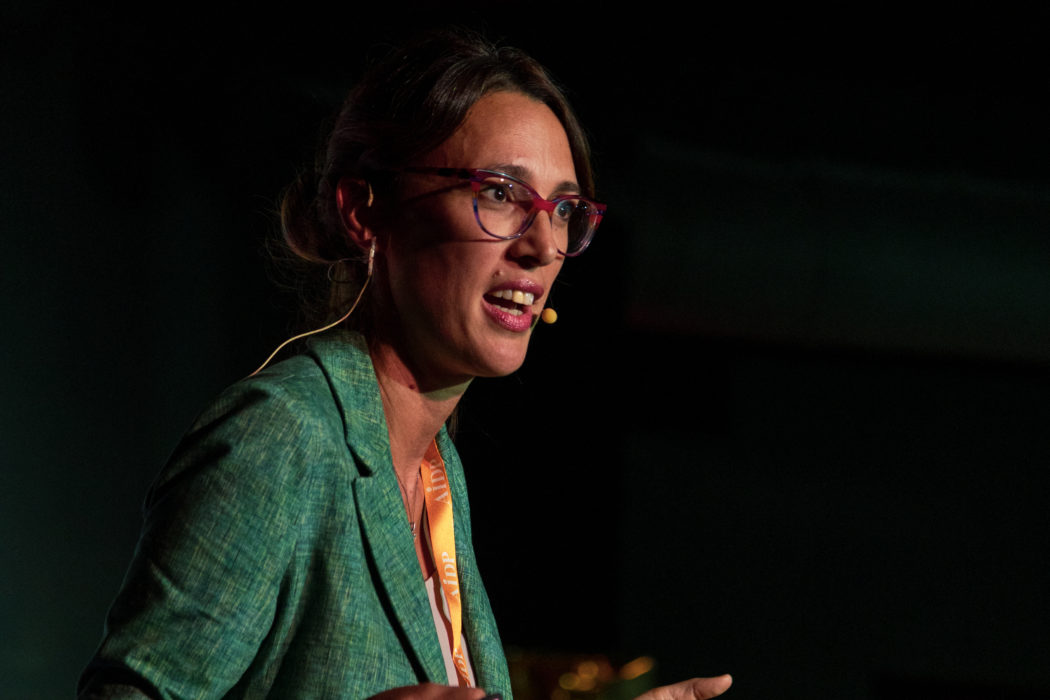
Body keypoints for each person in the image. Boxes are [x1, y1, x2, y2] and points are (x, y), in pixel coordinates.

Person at [77, 28, 732, 700]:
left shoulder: (436, 468)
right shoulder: (282, 437)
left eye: (563, 209)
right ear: (365, 211)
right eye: (500, 192)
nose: (542, 245)